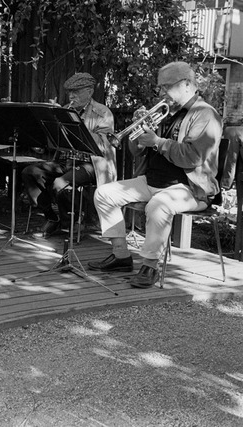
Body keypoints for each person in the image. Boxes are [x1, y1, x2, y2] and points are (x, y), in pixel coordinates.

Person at [88, 61, 222, 288]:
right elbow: (137, 152)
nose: (161, 93)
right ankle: (121, 256)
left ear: (187, 84)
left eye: (166, 86)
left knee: (158, 205)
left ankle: (150, 266)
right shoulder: (167, 113)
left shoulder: (205, 114)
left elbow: (193, 158)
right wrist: (138, 131)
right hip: (153, 181)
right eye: (159, 87)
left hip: (190, 188)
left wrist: (158, 142)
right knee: (104, 193)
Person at [21, 72, 116, 238]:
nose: (71, 96)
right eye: (70, 92)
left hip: (92, 164)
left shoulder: (103, 112)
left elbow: (104, 145)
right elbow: (56, 141)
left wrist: (76, 128)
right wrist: (47, 134)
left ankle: (72, 223)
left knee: (60, 183)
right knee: (30, 172)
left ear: (89, 92)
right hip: (65, 161)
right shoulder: (65, 110)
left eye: (76, 92)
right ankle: (52, 217)